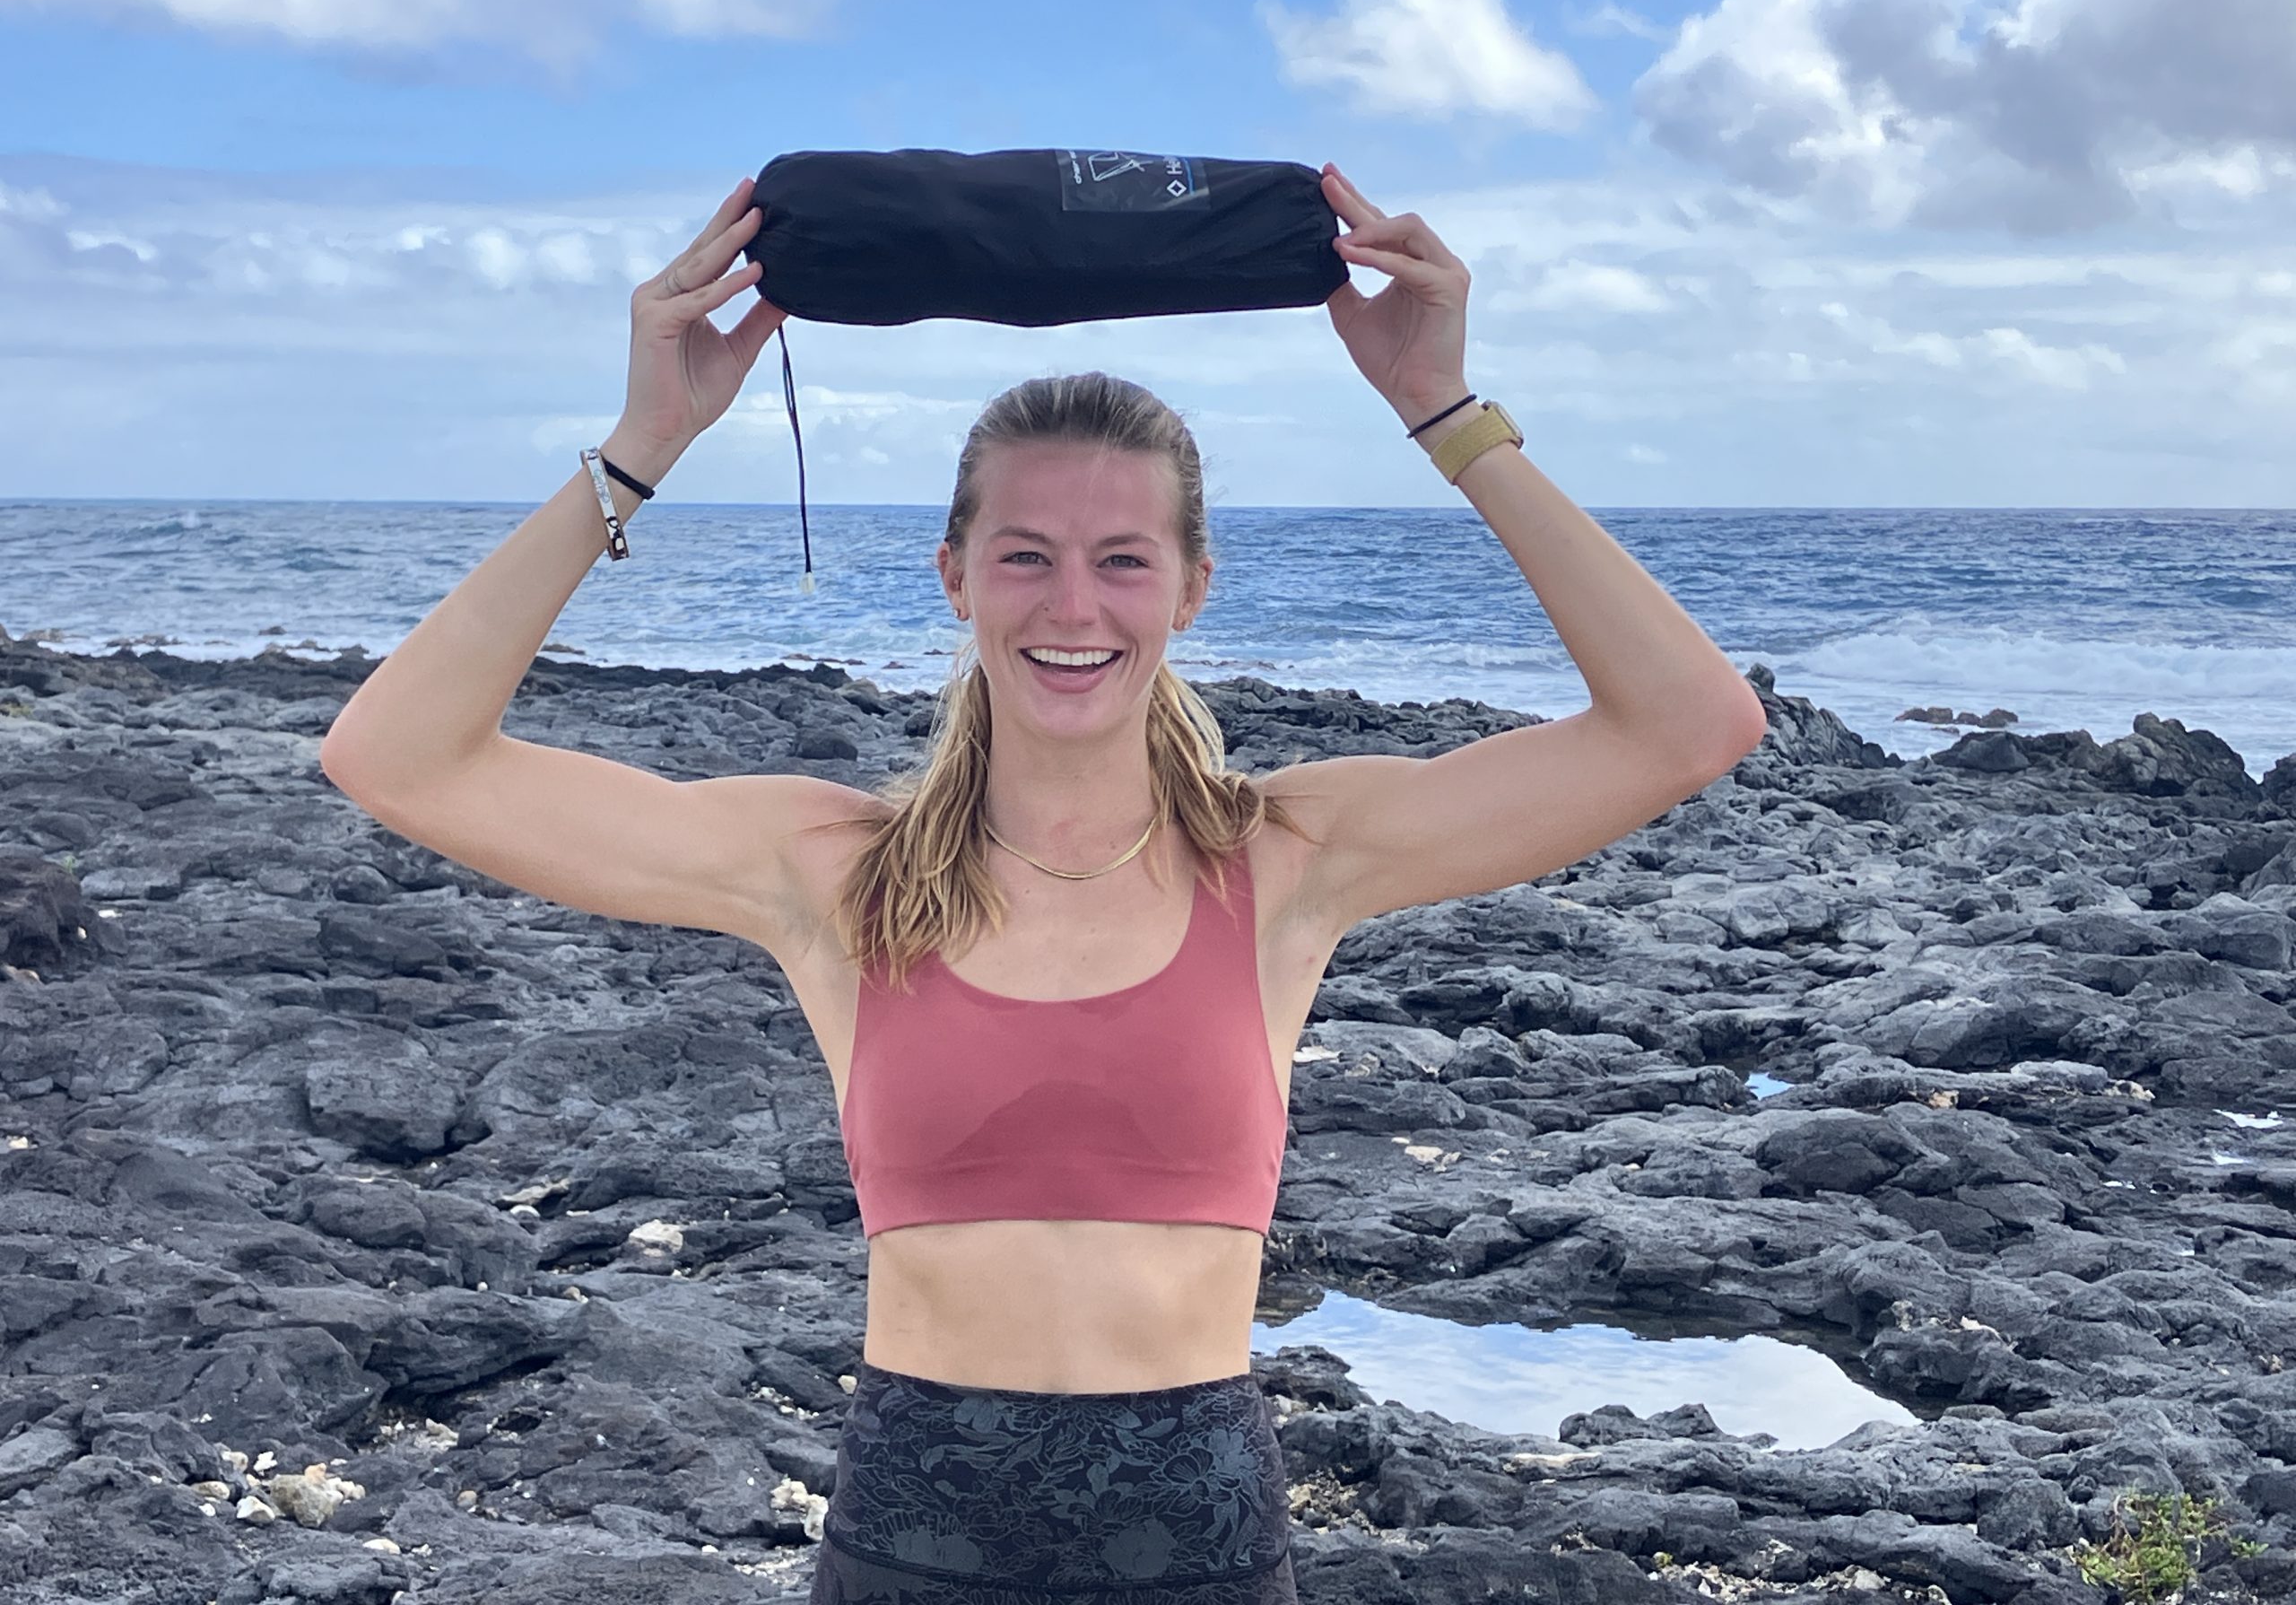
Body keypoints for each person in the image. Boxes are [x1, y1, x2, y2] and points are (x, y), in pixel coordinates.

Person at [318, 162, 1770, 1601]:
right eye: (1026, 556)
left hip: (1195, 1549)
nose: (1073, 606)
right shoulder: (832, 874)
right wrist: (641, 448)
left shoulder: (1290, 859)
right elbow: (402, 759)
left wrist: (1448, 419)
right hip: (915, 1546)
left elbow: (1687, 724)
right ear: (957, 576)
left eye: (1122, 561)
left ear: (1190, 588)